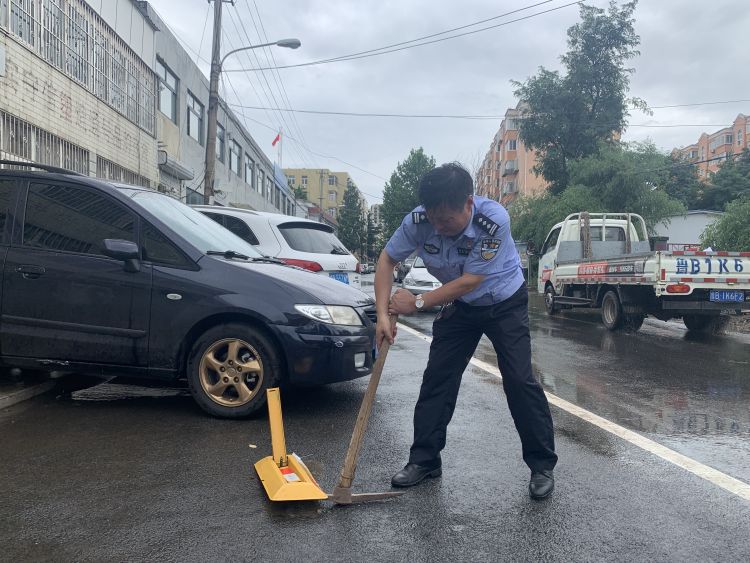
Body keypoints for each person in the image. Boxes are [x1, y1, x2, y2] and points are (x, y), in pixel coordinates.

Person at [374, 162, 557, 500]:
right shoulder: (419, 221)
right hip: (462, 307)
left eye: (448, 220)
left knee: (518, 379)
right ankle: (425, 459)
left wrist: (415, 303)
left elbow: (471, 280)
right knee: (438, 378)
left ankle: (541, 466)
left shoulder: (493, 220)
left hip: (503, 303)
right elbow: (386, 260)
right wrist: (383, 315)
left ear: (469, 204)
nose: (440, 227)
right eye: (435, 218)